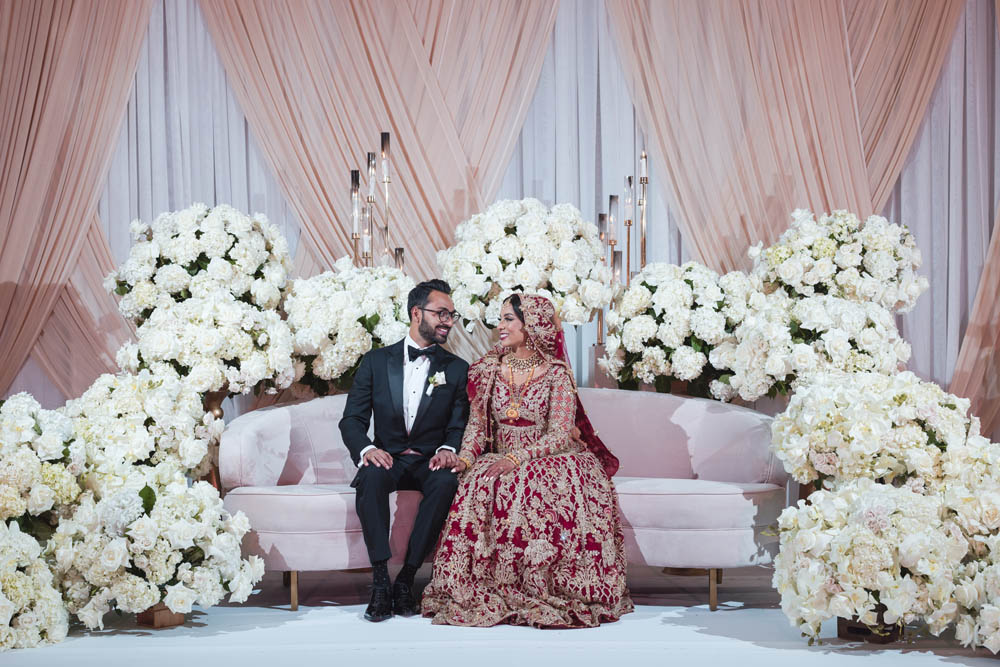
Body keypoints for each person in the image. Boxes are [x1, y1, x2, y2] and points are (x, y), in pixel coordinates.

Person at [421, 293, 633, 628]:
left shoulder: (556, 374)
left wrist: (517, 458)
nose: (500, 326)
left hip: (550, 456)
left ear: (530, 324)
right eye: (500, 318)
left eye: (508, 319)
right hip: (499, 454)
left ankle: (542, 584)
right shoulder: (487, 369)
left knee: (530, 485)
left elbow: (561, 433)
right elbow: (477, 428)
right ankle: (491, 585)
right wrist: (463, 460)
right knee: (482, 480)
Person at [339, 279, 469, 622]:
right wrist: (367, 448)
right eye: (441, 313)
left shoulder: (456, 369)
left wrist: (447, 448)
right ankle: (381, 582)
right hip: (389, 458)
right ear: (416, 313)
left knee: (446, 484)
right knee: (369, 479)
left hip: (429, 461)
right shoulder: (375, 362)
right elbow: (351, 419)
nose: (448, 321)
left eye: (452, 315)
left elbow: (458, 423)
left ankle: (407, 580)